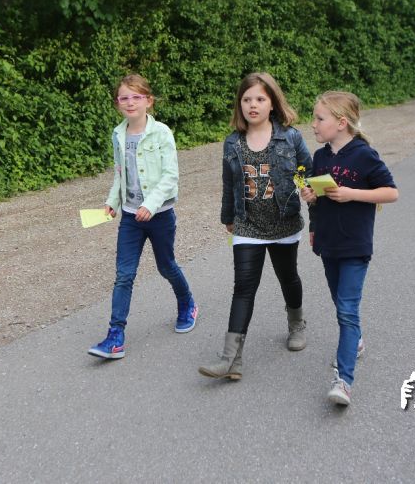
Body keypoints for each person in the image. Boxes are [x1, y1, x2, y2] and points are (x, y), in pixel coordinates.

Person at [198, 72, 312, 381]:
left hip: (284, 223)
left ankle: (296, 323)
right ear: (240, 104)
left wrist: (310, 199)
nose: (253, 105)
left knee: (288, 277)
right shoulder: (232, 142)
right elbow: (228, 183)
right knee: (243, 287)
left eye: (260, 99)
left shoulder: (290, 137)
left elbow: (306, 172)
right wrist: (228, 218)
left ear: (272, 103)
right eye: (247, 99)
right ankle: (231, 359)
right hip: (247, 225)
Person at [88, 74, 197, 359]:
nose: (130, 102)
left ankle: (187, 303)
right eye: (124, 98)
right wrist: (112, 202)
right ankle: (115, 336)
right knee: (124, 275)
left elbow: (170, 175)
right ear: (117, 104)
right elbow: (120, 174)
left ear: (148, 101)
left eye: (136, 97)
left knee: (166, 266)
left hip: (159, 215)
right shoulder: (118, 134)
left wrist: (150, 204)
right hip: (129, 217)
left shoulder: (161, 132)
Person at [301, 91, 398, 406]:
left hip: (355, 245)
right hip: (328, 242)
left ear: (341, 123)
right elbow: (319, 195)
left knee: (346, 309)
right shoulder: (320, 156)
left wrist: (351, 194)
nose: (313, 124)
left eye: (319, 118)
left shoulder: (364, 155)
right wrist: (312, 199)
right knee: (340, 302)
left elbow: (390, 192)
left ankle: (343, 380)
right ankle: (355, 341)